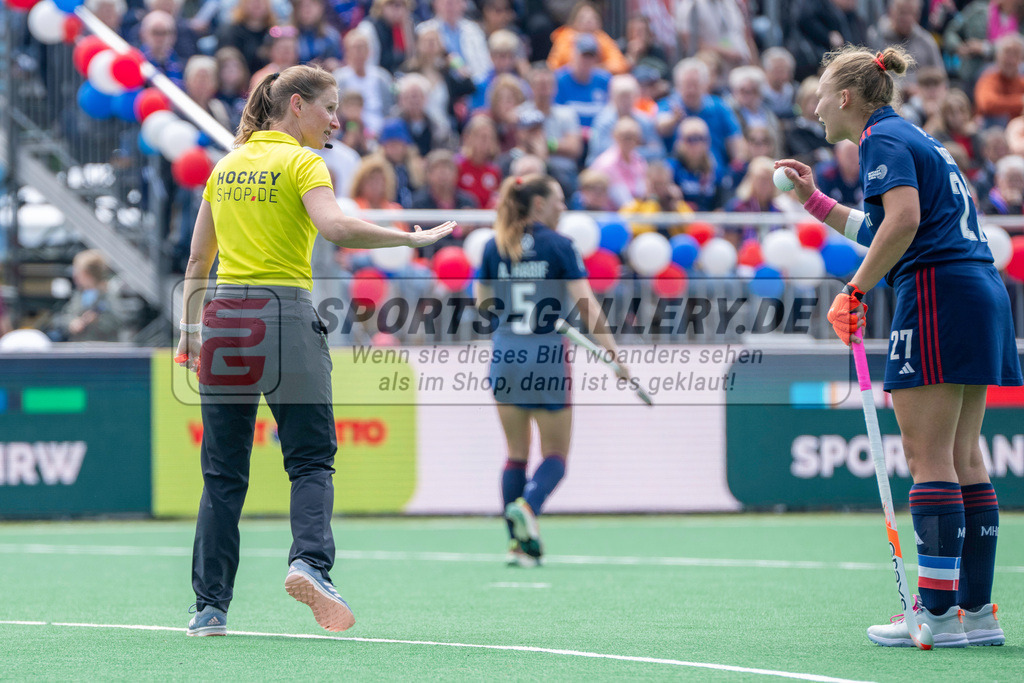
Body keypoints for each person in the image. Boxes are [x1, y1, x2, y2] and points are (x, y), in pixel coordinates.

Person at [175, 65, 453, 637]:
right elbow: (335, 228)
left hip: (224, 320)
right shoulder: (304, 162)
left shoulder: (225, 166)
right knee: (309, 459)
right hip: (284, 317)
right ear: (295, 105)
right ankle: (310, 564)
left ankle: (209, 608)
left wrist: (188, 329)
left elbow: (198, 263)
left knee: (223, 473)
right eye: (329, 108)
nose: (336, 120)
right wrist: (408, 237)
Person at [776, 44, 1021, 648]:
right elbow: (888, 227)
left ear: (846, 97)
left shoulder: (879, 142)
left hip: (939, 293)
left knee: (928, 458)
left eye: (820, 94)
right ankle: (975, 613)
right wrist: (814, 203)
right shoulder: (911, 138)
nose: (813, 108)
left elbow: (904, 222)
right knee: (965, 458)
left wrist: (853, 290)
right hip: (978, 288)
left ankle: (934, 613)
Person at [475, 174, 627, 566]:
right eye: (558, 200)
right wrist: (613, 354)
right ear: (539, 204)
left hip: (506, 353)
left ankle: (517, 546)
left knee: (515, 455)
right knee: (556, 456)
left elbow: (482, 307)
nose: (564, 207)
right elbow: (587, 305)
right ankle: (531, 506)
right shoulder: (560, 246)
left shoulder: (495, 246)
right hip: (545, 356)